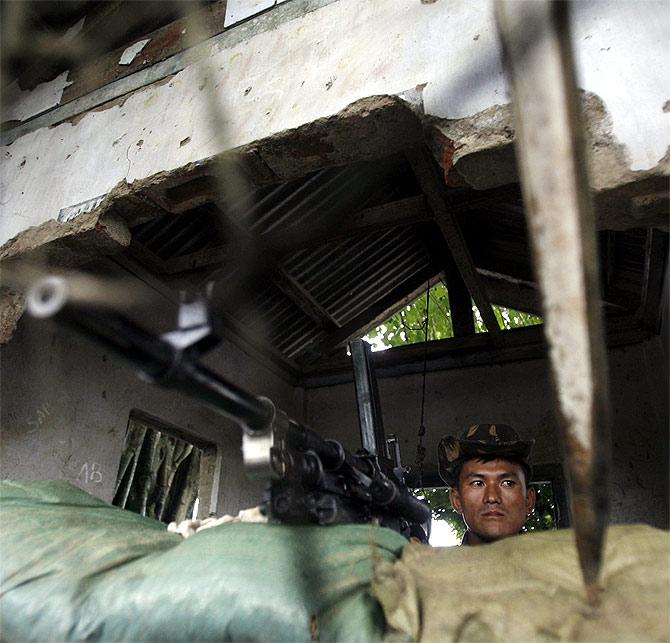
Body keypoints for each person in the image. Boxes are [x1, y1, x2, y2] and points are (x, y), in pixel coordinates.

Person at [437, 423, 536, 546]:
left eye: (507, 483)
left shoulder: (560, 564)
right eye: (478, 483)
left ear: (528, 500)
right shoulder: (434, 565)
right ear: (457, 500)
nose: (492, 497)